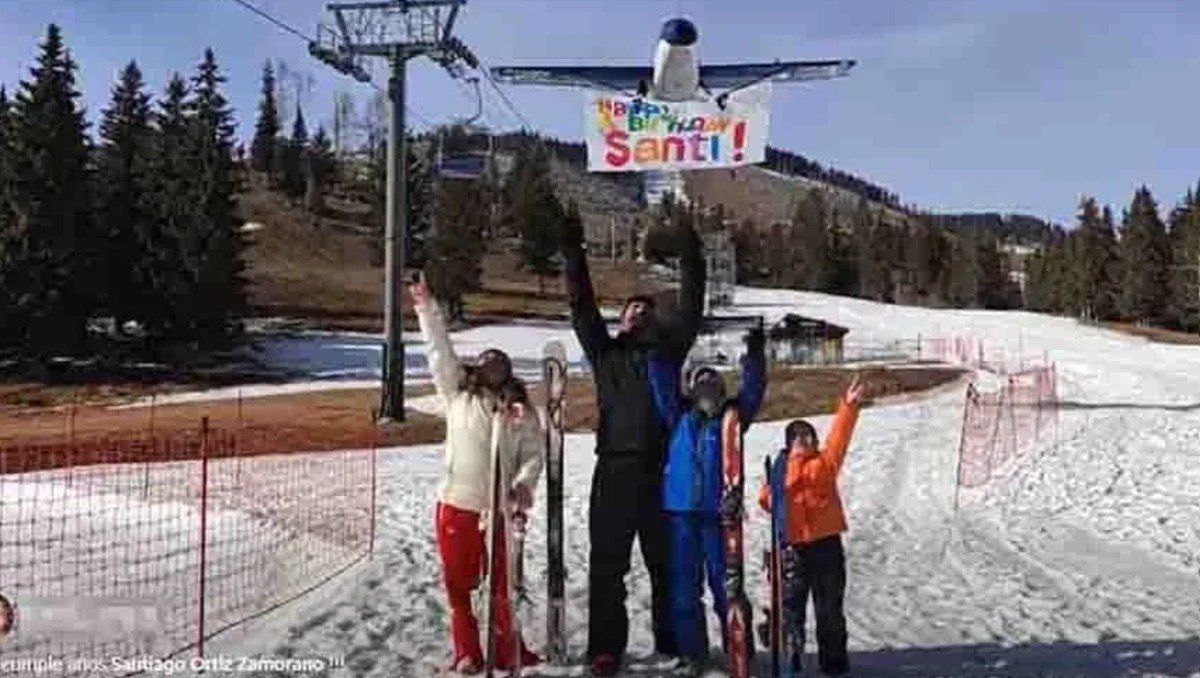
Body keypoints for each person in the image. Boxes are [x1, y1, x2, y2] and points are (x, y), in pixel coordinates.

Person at [560, 209, 707, 676]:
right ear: (620, 323)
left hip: (662, 471)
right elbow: (582, 308)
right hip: (615, 471)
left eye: (646, 310)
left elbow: (691, 306)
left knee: (667, 566)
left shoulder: (668, 352)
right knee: (607, 568)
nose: (639, 313)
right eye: (631, 310)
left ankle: (672, 640)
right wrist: (572, 252)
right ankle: (605, 649)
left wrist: (690, 251)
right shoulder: (606, 356)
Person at [411, 276, 545, 675]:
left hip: (500, 509)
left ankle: (506, 650)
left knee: (501, 586)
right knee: (459, 584)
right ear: (476, 368)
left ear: (508, 371)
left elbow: (533, 456)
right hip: (457, 504)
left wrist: (522, 485)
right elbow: (439, 350)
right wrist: (425, 307)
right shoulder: (458, 395)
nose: (491, 364)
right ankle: (467, 652)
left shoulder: (519, 411)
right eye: (484, 359)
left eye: (499, 360)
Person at [648, 327, 767, 673]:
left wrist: (755, 356)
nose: (707, 390)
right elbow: (659, 382)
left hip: (719, 516)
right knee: (684, 589)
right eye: (701, 384)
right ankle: (692, 652)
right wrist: (661, 350)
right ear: (691, 389)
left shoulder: (733, 419)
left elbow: (754, 391)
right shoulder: (678, 416)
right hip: (681, 512)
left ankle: (738, 648)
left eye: (713, 384)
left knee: (725, 584)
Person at [758, 375, 865, 677]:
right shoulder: (780, 470)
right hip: (793, 548)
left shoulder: (825, 462)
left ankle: (834, 665)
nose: (806, 440)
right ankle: (792, 661)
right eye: (798, 436)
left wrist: (849, 405)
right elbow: (765, 500)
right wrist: (778, 486)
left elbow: (839, 436)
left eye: (809, 436)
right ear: (788, 443)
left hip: (827, 545)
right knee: (792, 610)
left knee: (829, 609)